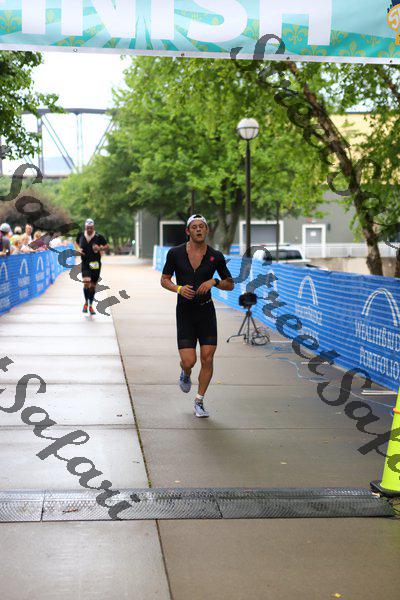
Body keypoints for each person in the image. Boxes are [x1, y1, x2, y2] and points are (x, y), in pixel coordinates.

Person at [161, 214, 234, 418]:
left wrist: (214, 282)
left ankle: (199, 401)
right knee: (189, 361)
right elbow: (164, 279)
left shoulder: (215, 256)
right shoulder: (175, 253)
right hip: (185, 313)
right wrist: (178, 288)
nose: (199, 229)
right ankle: (185, 373)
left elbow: (230, 284)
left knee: (207, 358)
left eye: (202, 226)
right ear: (188, 231)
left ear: (207, 230)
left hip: (206, 312)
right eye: (194, 227)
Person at [75, 219, 109, 315]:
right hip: (85, 263)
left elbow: (107, 246)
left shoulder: (98, 236)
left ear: (93, 227)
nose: (89, 229)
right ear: (85, 227)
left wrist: (100, 248)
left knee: (93, 286)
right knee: (86, 282)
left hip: (95, 264)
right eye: (87, 228)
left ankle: (90, 305)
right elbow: (76, 243)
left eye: (91, 228)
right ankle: (86, 303)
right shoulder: (81, 235)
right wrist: (78, 249)